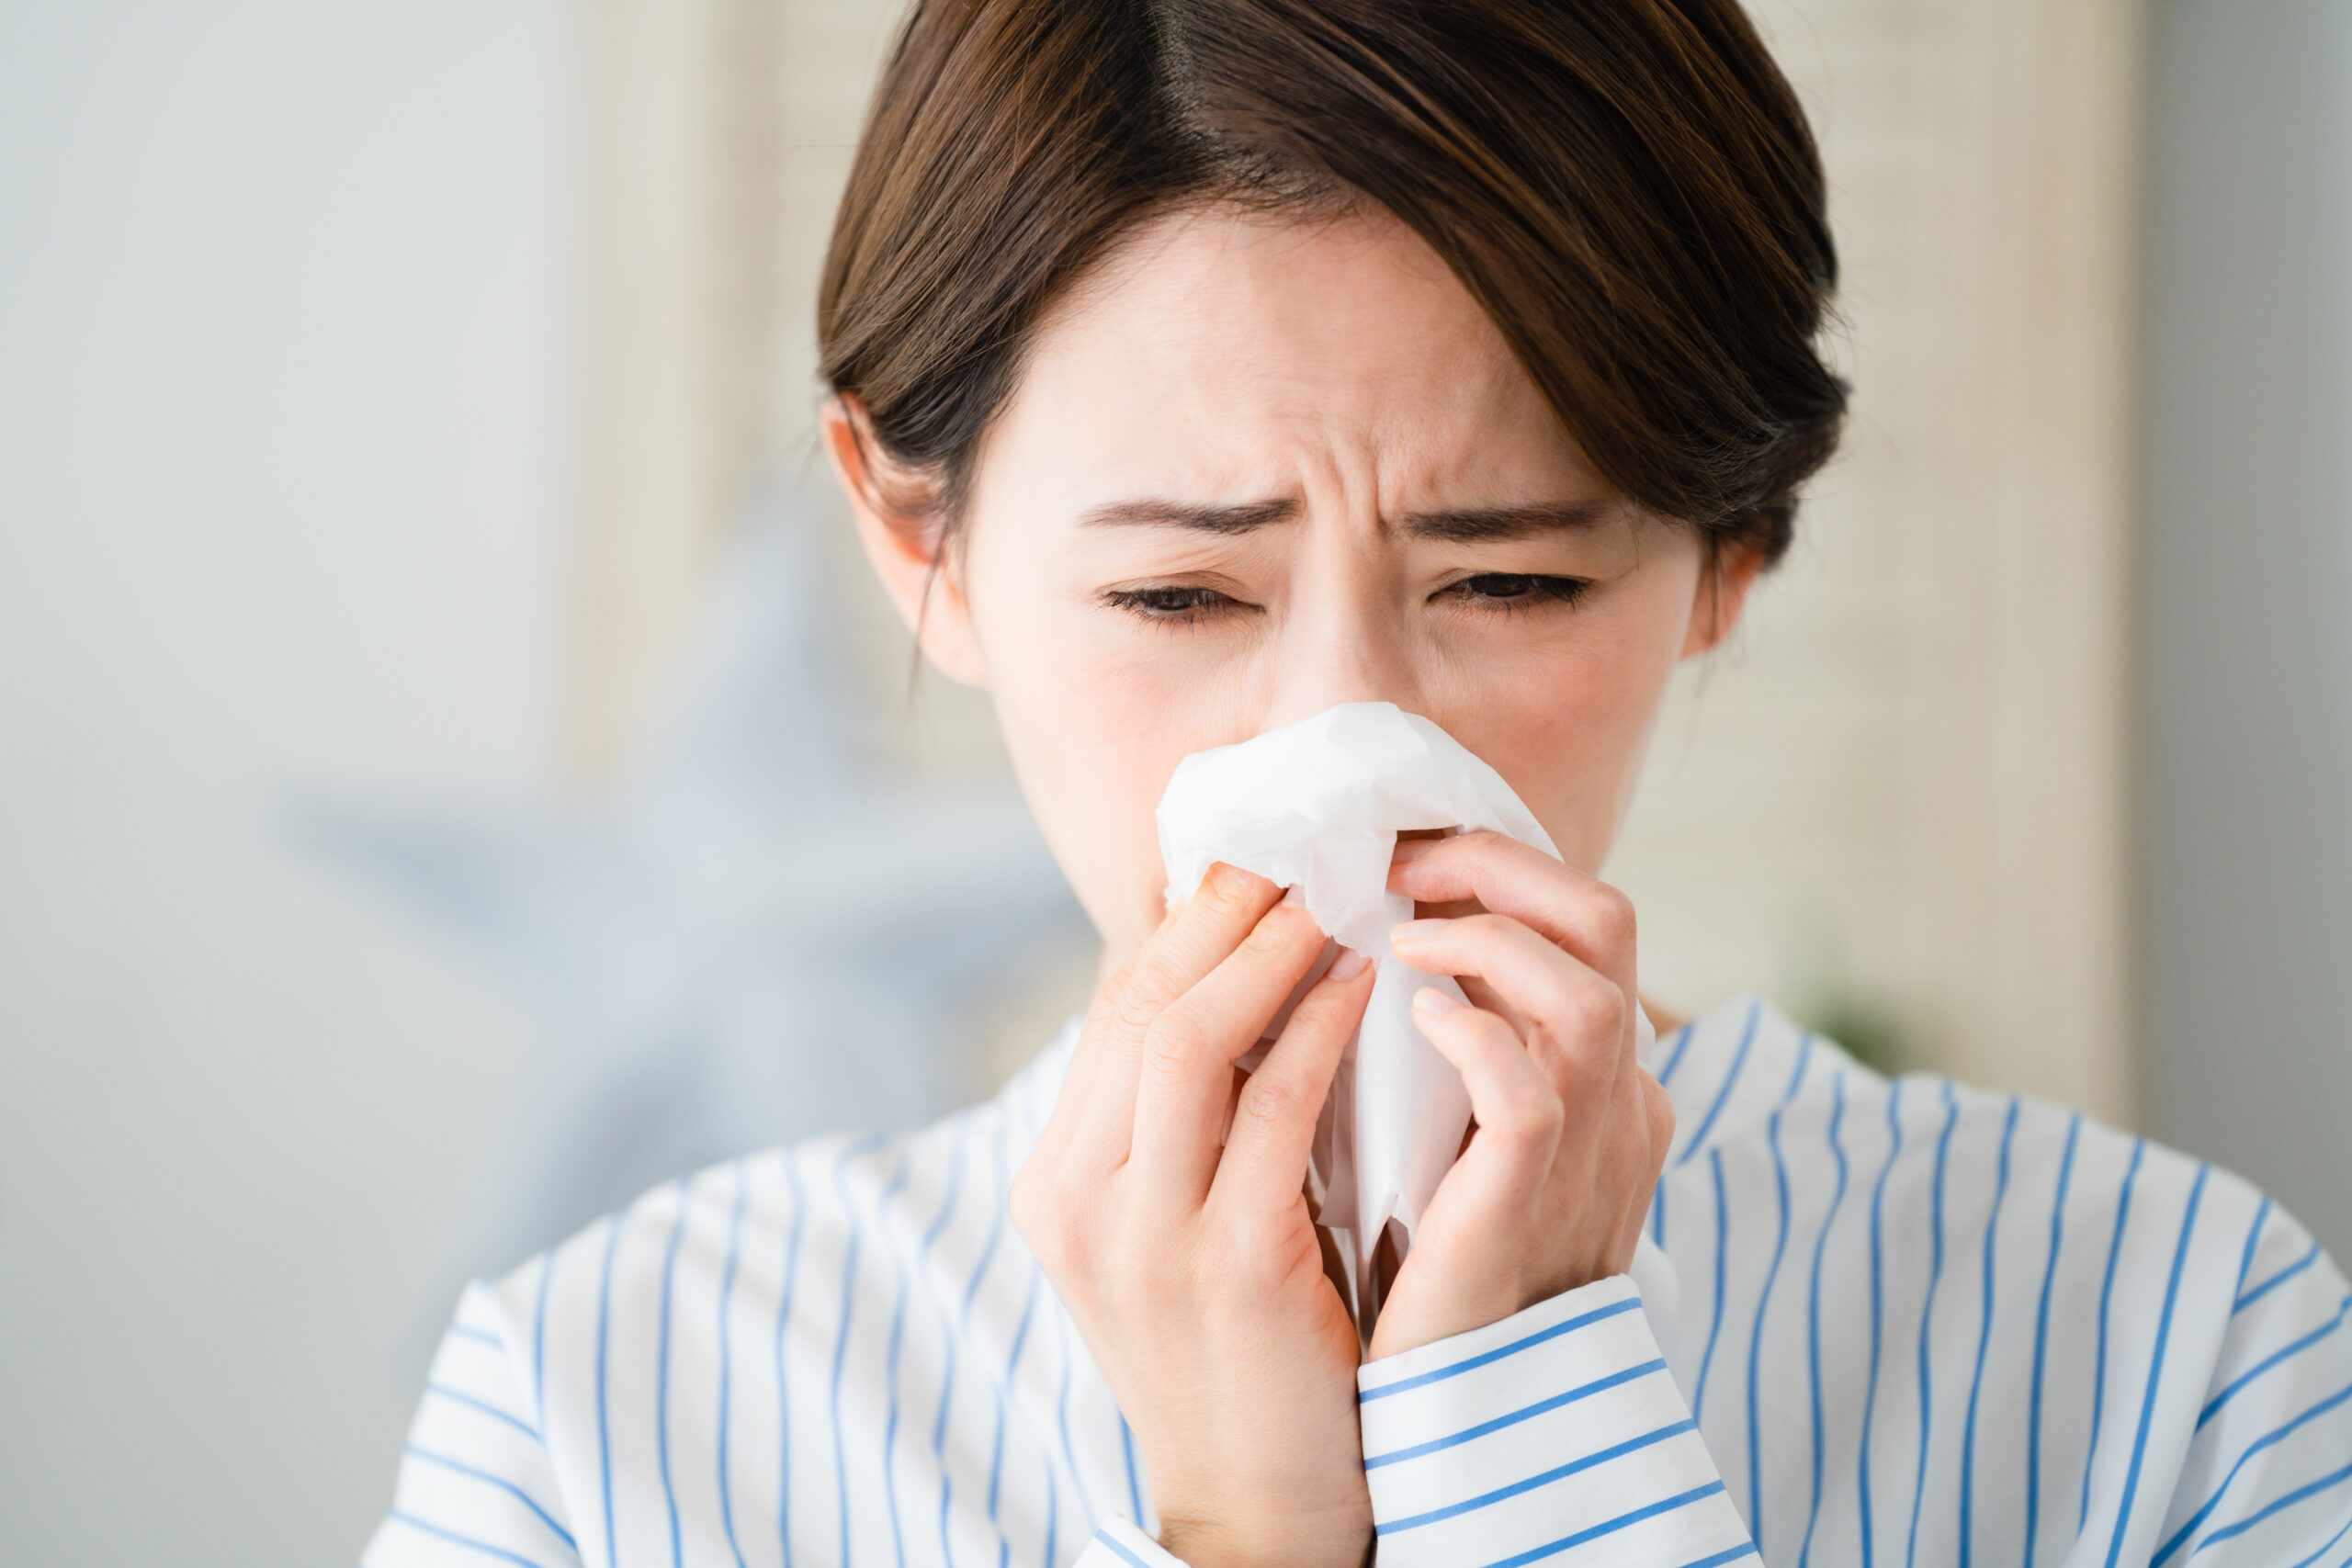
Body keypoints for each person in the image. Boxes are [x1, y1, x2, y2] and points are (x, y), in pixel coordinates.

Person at [365, 0, 2352, 1562]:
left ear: (1728, 556)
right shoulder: (599, 1412)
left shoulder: (2171, 1346)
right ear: (922, 545)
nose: (1338, 749)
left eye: (1505, 577)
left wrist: (1530, 1429)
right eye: (1173, 589)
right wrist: (1233, 1536)